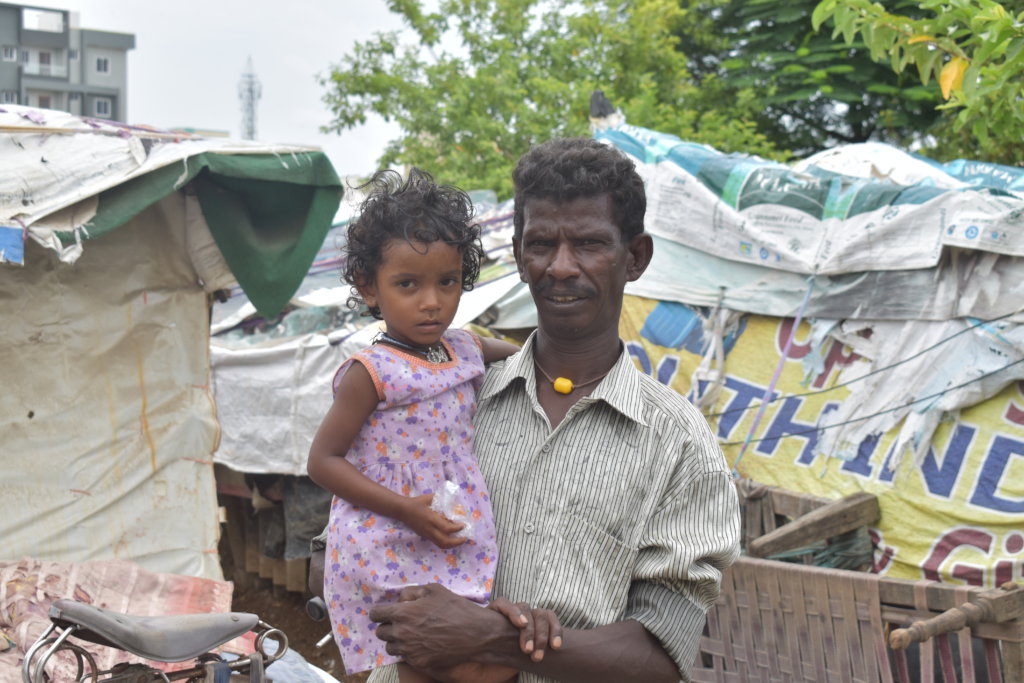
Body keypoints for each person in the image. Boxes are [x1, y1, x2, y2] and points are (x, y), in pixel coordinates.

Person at [363, 138, 742, 683]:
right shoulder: (443, 395)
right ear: (519, 254)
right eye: (542, 244)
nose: (561, 267)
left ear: (634, 257)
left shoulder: (679, 444)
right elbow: (350, 559)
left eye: (589, 243)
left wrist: (495, 639)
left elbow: (660, 657)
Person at [306, 169, 559, 683]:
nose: (431, 301)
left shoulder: (464, 346)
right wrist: (405, 509)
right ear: (368, 288)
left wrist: (559, 373)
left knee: (468, 657)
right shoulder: (370, 373)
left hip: (447, 526)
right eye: (408, 284)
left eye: (447, 282)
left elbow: (520, 356)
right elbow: (322, 462)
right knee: (437, 660)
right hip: (387, 535)